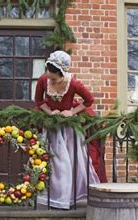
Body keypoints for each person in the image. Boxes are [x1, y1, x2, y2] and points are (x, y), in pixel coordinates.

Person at [34, 50, 107, 209]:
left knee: (70, 161)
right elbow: (39, 101)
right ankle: (54, 196)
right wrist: (50, 112)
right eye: (49, 76)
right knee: (54, 162)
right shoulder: (43, 80)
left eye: (54, 78)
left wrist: (71, 112)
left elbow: (89, 100)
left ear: (62, 73)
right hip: (52, 125)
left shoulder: (73, 83)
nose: (50, 80)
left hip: (69, 128)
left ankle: (71, 197)